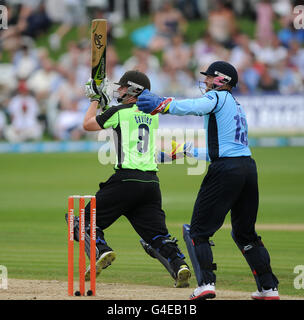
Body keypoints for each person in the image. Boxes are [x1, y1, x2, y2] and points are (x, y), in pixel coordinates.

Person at [136, 61, 280, 300]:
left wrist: (163, 105)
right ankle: (268, 287)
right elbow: (228, 149)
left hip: (226, 170)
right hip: (247, 168)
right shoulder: (237, 105)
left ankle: (206, 284)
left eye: (210, 77)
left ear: (222, 80)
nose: (205, 81)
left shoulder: (218, 98)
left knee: (197, 231)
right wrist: (189, 149)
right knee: (245, 234)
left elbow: (192, 106)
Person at [69, 70, 191, 288]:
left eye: (124, 87)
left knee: (81, 221)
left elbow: (88, 124)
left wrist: (95, 100)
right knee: (156, 235)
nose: (120, 90)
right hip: (151, 184)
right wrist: (107, 106)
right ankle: (179, 263)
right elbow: (125, 126)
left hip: (125, 181)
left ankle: (101, 251)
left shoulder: (120, 112)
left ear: (134, 90)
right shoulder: (152, 116)